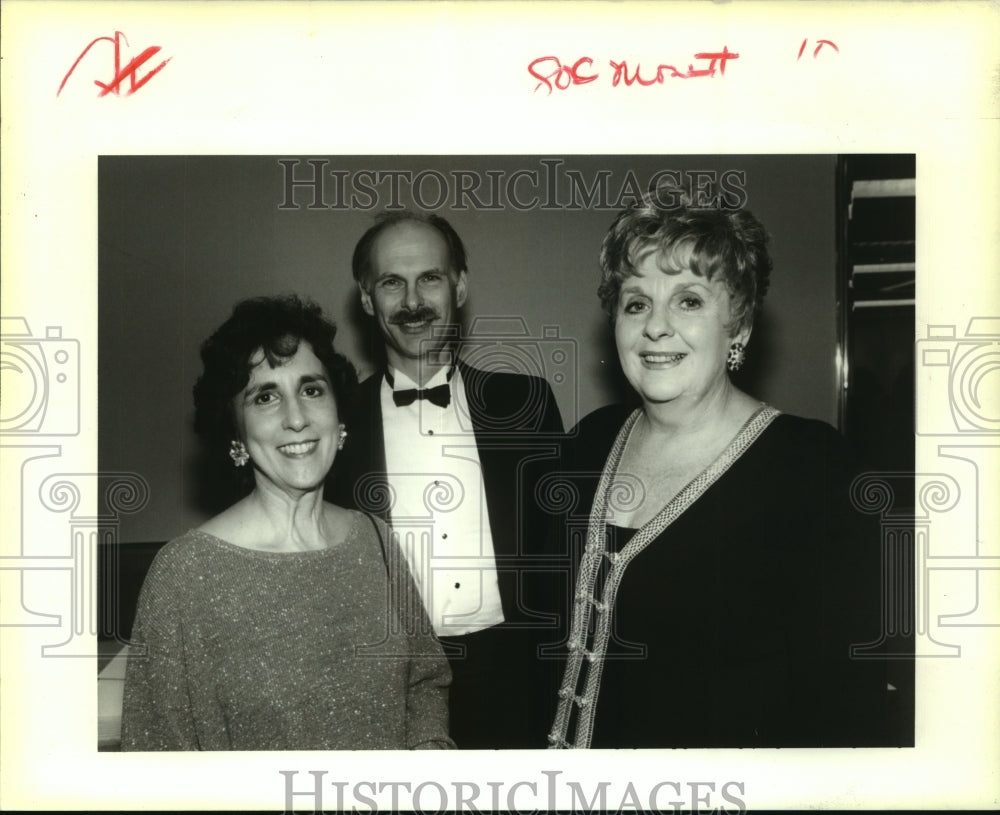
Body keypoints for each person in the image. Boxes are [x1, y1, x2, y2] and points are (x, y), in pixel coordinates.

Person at [547, 183, 891, 749]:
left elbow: (848, 697)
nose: (656, 327)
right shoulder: (586, 445)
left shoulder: (814, 469)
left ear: (740, 325)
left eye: (689, 300)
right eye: (637, 303)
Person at [121, 295, 454, 751]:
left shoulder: (375, 539)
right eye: (265, 397)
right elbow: (158, 762)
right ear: (236, 432)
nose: (296, 418)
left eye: (312, 389)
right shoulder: (184, 575)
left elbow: (425, 680)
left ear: (338, 415)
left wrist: (428, 750)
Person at [327, 211, 565, 749]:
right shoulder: (333, 424)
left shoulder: (526, 405)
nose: (412, 301)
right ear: (368, 298)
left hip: (514, 682)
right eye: (392, 282)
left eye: (430, 278)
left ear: (459, 286)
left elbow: (562, 554)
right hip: (386, 682)